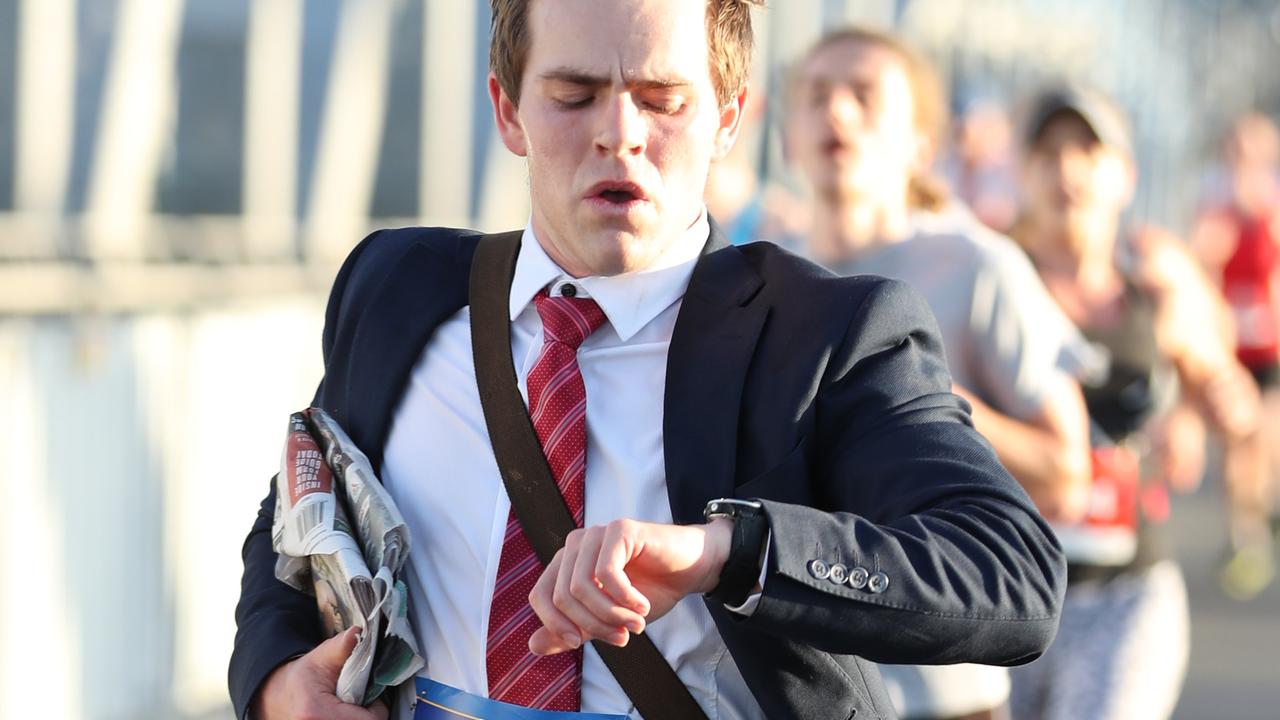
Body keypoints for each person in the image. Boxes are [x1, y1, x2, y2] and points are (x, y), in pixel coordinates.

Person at [229, 2, 1068, 719]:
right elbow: (300, 514)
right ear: (509, 111)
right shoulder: (397, 288)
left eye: (664, 100)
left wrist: (724, 553)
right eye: (573, 95)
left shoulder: (823, 335)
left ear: (730, 118)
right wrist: (273, 681)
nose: (620, 135)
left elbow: (1011, 577)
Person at [783, 28, 1091, 720]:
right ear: (785, 136)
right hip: (804, 691)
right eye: (816, 95)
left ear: (923, 143)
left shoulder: (977, 266)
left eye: (864, 96)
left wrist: (930, 407)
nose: (837, 113)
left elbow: (1069, 474)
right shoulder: (759, 278)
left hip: (947, 690)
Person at [1007, 85, 1262, 720]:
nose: (1068, 171)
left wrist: (1204, 411)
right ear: (1024, 172)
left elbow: (1225, 390)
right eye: (1049, 152)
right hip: (999, 589)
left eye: (1089, 152)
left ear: (1125, 175)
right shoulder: (989, 281)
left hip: (1124, 595)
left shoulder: (1156, 290)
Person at [1191, 112, 1280, 598]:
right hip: (1229, 344)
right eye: (1236, 147)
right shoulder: (1214, 198)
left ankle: (1261, 516)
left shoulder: (1273, 198)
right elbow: (1200, 261)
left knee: (1265, 441)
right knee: (1234, 447)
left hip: (1270, 344)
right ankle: (1243, 536)